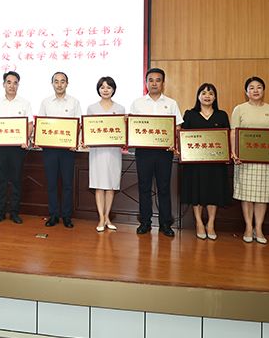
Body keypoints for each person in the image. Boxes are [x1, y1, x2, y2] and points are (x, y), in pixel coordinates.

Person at [231, 76, 269, 244]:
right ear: (246, 92)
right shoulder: (239, 109)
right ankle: (248, 227)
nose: (255, 90)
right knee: (246, 195)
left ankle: (258, 228)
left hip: (265, 159)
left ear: (263, 90)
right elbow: (233, 132)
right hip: (244, 160)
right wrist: (234, 153)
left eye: (259, 87)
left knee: (262, 195)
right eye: (251, 88)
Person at [129, 68, 183, 237]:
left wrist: (173, 140)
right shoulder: (137, 103)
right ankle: (145, 222)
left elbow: (177, 127)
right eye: (150, 80)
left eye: (158, 80)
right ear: (146, 83)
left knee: (164, 188)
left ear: (163, 83)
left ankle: (165, 224)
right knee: (144, 187)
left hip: (164, 153)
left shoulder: (171, 103)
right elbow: (132, 126)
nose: (154, 83)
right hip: (143, 152)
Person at [181, 83, 231, 240]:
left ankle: (211, 223)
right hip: (195, 164)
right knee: (196, 192)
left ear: (215, 97)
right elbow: (183, 136)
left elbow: (227, 138)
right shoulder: (190, 114)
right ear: (198, 96)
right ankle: (198, 223)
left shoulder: (221, 115)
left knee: (213, 192)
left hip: (215, 164)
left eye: (210, 93)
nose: (207, 96)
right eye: (203, 93)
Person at [0, 71, 34, 224]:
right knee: (1, 180)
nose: (12, 85)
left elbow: (30, 124)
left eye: (15, 83)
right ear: (4, 84)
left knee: (15, 180)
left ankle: (14, 212)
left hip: (17, 148)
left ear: (18, 85)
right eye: (9, 82)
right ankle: (0, 212)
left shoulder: (25, 103)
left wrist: (25, 138)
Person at [38, 72, 82, 228]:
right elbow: (41, 125)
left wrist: (75, 142)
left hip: (67, 150)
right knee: (51, 183)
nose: (59, 84)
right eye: (56, 81)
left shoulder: (74, 102)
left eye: (62, 81)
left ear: (67, 84)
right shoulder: (45, 102)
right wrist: (40, 140)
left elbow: (79, 125)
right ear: (52, 84)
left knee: (67, 184)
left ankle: (66, 216)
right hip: (50, 150)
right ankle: (53, 215)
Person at [86, 76, 126, 233]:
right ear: (98, 89)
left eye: (108, 87)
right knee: (99, 185)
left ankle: (107, 216)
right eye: (102, 87)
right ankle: (101, 218)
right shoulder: (91, 108)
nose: (105, 90)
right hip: (97, 152)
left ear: (113, 89)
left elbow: (123, 131)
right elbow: (89, 130)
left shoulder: (120, 109)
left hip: (113, 152)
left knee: (111, 185)